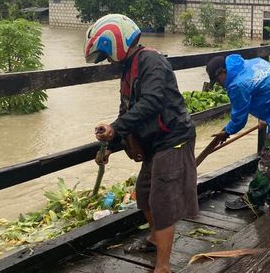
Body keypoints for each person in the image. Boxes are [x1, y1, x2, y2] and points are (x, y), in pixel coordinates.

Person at [85, 14, 198, 273]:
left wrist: (116, 128)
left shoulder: (151, 61)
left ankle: (163, 266)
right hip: (155, 144)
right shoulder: (129, 68)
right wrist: (111, 144)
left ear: (117, 44)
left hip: (173, 139)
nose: (109, 61)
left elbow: (151, 102)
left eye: (108, 54)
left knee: (162, 203)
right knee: (145, 196)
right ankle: (154, 238)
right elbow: (127, 112)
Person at [207, 54, 270, 211]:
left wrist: (227, 132)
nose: (220, 85)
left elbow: (239, 119)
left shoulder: (237, 84)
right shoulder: (248, 62)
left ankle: (254, 199)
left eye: (218, 80)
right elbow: (264, 87)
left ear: (223, 72)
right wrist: (265, 116)